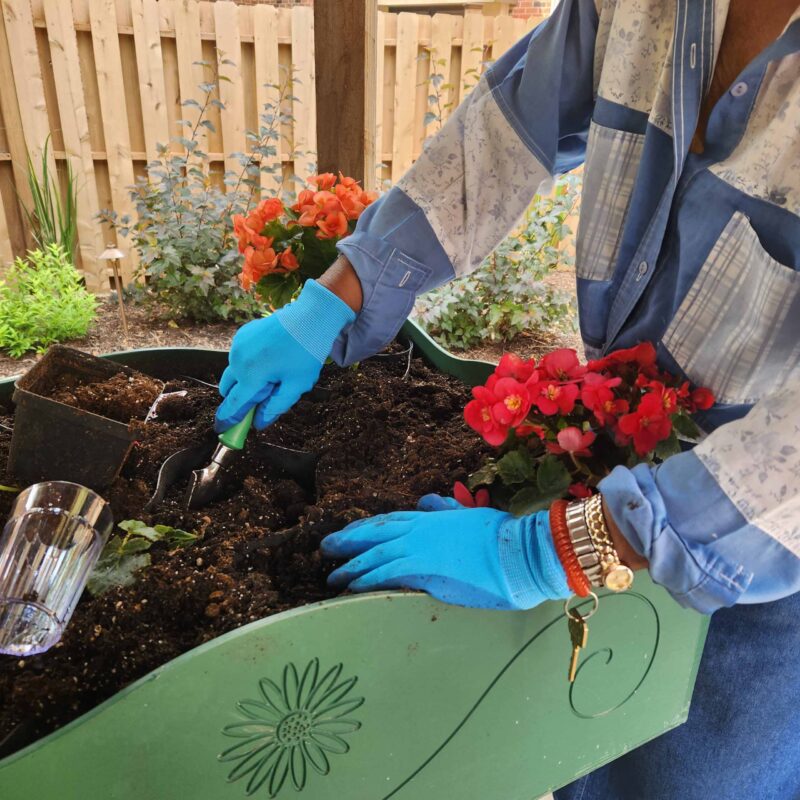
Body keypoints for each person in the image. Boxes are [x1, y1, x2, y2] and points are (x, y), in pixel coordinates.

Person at [214, 1, 800, 797]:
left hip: (766, 570)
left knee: (695, 777)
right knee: (574, 746)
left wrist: (546, 551)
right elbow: (503, 132)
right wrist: (337, 296)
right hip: (619, 474)